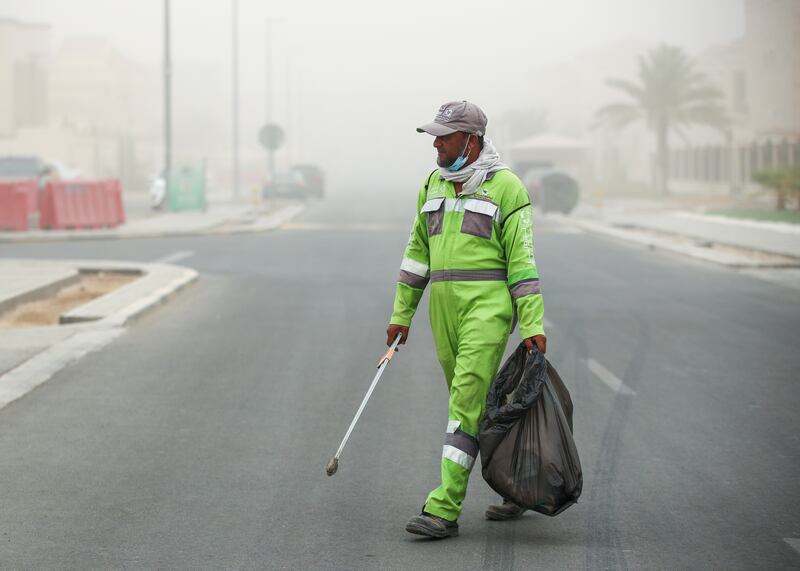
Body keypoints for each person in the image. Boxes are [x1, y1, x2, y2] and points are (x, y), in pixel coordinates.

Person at [386, 100, 547, 539]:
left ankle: (443, 508)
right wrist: (402, 315)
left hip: (488, 306)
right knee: (475, 408)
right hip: (443, 307)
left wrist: (531, 323)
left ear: (471, 140)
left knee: (463, 404)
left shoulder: (506, 188)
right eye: (434, 135)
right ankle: (516, 486)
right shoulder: (433, 185)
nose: (435, 143)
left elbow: (523, 263)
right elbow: (417, 255)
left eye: (445, 136)